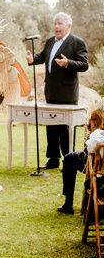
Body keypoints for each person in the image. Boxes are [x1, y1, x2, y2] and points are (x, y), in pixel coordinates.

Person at [26, 12, 89, 169]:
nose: (56, 26)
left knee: (66, 129)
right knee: (51, 128)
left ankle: (69, 160)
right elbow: (42, 57)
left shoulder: (77, 43)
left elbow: (84, 64)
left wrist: (68, 63)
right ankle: (53, 159)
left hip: (67, 94)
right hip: (51, 92)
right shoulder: (49, 42)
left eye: (60, 23)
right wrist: (32, 59)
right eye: (55, 23)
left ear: (69, 25)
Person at [58, 110, 103, 214]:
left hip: (94, 164)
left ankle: (68, 203)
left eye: (90, 121)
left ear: (95, 121)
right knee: (70, 157)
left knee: (69, 159)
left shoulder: (97, 134)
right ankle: (68, 203)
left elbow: (90, 148)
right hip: (96, 161)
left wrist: (89, 135)